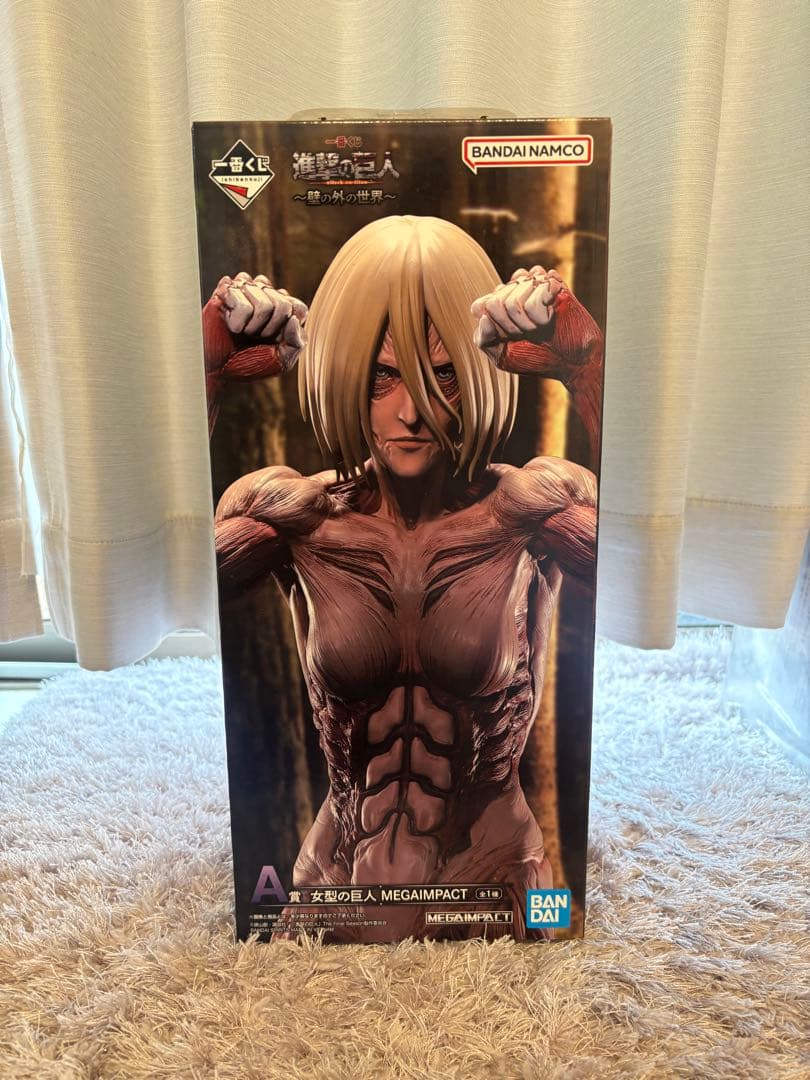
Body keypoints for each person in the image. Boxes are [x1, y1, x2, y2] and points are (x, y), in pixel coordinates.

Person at [202, 215, 603, 942]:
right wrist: (204, 373)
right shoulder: (295, 515)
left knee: (533, 1009)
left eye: (441, 374)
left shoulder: (530, 507)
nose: (411, 411)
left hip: (490, 876)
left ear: (478, 373)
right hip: (337, 878)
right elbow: (169, 592)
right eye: (383, 376)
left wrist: (586, 366)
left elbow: (641, 576)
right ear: (344, 372)